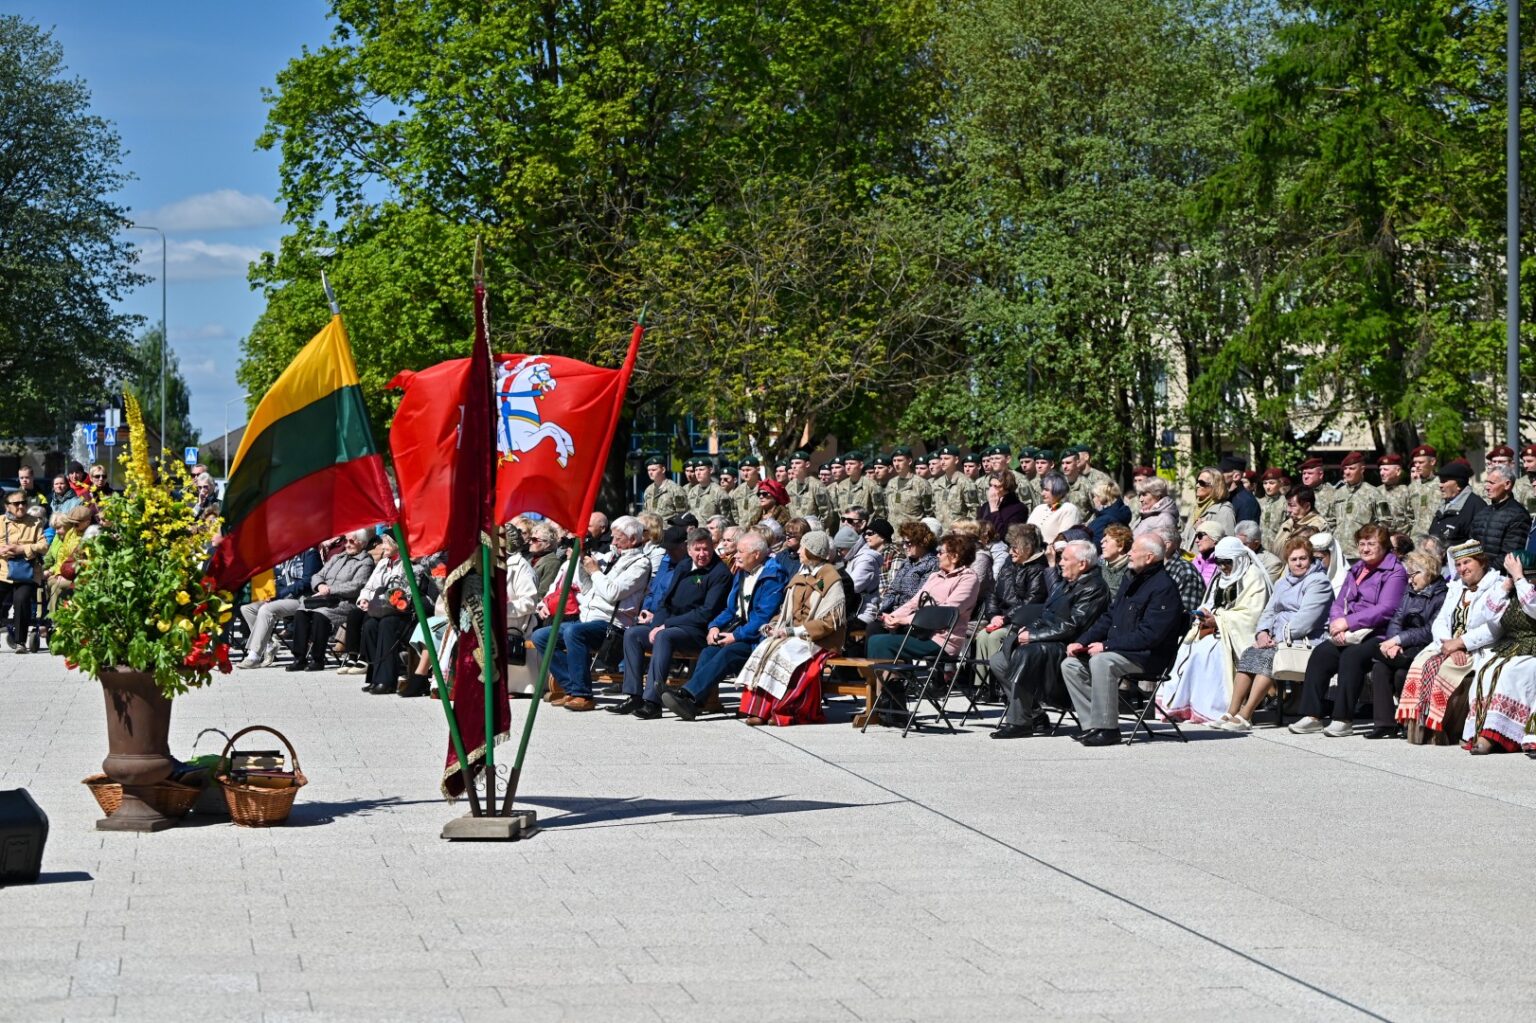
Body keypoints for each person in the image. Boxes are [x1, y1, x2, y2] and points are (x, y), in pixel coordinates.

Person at [1284, 525, 1409, 734]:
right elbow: (1339, 601)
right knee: (1321, 653)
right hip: (1350, 630)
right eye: (1362, 544)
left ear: (1384, 546)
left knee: (1352, 657)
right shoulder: (1357, 569)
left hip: (1380, 633)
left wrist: (1349, 622)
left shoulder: (1395, 571)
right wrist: (1336, 625)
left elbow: (1387, 609)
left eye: (1371, 544)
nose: (1365, 549)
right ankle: (1312, 715)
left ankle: (1343, 718)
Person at [1061, 535, 1185, 745]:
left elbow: (1150, 636)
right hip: (1123, 650)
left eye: (1134, 550)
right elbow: (1109, 617)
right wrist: (1083, 641)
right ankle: (1092, 724)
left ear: (1149, 557)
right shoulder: (1131, 578)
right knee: (1070, 664)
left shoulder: (1164, 588)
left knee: (1102, 661)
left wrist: (1107, 646)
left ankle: (1108, 729)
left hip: (1149, 656)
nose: (1129, 553)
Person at [659, 531, 789, 720]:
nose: (735, 555)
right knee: (709, 651)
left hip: (759, 637)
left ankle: (686, 694)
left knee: (730, 652)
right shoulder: (742, 572)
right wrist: (714, 626)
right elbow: (731, 609)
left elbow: (763, 618)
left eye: (740, 552)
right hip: (739, 629)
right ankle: (694, 704)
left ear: (756, 555)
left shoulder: (773, 576)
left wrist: (736, 636)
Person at [987, 539, 1108, 738]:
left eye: (1065, 559)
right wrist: (1029, 629)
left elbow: (1073, 626)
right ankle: (1034, 713)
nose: (1059, 562)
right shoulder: (1065, 583)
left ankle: (1019, 722)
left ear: (1082, 564)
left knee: (1024, 654)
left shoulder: (1094, 587)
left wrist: (1033, 636)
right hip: (1049, 639)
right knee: (999, 659)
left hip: (1070, 644)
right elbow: (1046, 614)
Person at [1211, 538, 1334, 731]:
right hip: (1277, 638)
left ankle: (1246, 714)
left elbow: (1306, 620)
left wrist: (1278, 639)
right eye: (1294, 559)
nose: (1299, 563)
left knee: (1269, 658)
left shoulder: (1319, 582)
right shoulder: (1283, 582)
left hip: (1305, 640)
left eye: (1303, 558)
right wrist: (1262, 633)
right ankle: (1232, 711)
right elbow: (1269, 611)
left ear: (1310, 559)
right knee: (1250, 653)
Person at [532, 516, 652, 712]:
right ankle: (571, 687)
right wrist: (580, 563)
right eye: (612, 537)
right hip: (588, 619)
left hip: (613, 625)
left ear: (632, 540)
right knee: (541, 636)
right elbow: (586, 589)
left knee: (574, 632)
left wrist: (595, 572)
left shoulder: (640, 563)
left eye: (618, 539)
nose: (613, 542)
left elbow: (613, 593)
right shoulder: (611, 557)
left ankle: (583, 694)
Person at [610, 527, 731, 719]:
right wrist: (656, 624)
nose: (702, 554)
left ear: (713, 547)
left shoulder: (719, 573)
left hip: (697, 631)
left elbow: (706, 613)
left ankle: (652, 702)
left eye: (706, 549)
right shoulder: (683, 566)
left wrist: (665, 626)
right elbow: (666, 602)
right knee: (633, 634)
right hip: (670, 625)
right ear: (689, 549)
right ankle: (634, 695)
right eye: (697, 549)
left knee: (665, 636)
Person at [1393, 539, 1506, 744]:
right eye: (1459, 564)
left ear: (1481, 562)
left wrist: (1461, 643)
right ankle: (1420, 731)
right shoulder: (1456, 587)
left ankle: (1442, 732)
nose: (1462, 569)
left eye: (1467, 563)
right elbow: (1441, 621)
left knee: (1448, 672)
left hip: (1477, 648)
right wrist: (1448, 644)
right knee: (1420, 666)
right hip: (1448, 646)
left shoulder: (1496, 587)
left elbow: (1494, 628)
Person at [731, 530, 846, 726]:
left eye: (803, 548)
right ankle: (759, 710)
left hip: (818, 639)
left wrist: (793, 632)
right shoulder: (801, 575)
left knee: (785, 653)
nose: (799, 551)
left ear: (813, 551)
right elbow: (786, 611)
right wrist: (774, 625)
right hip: (793, 633)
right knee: (764, 649)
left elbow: (830, 621)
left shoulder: (831, 579)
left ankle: (782, 710)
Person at [1155, 536, 1272, 724]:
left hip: (1232, 633)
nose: (1223, 567)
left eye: (1227, 562)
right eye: (1219, 562)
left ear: (1239, 559)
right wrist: (1203, 612)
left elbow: (1252, 614)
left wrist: (1218, 620)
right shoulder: (1219, 577)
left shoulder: (1253, 576)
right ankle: (1185, 706)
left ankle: (1213, 708)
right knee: (1185, 649)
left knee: (1205, 654)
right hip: (1213, 628)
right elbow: (1209, 602)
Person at [868, 532, 982, 720]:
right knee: (875, 632)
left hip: (942, 640)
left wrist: (905, 620)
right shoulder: (936, 576)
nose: (937, 555)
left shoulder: (968, 578)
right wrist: (893, 616)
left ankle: (893, 704)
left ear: (954, 556)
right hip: (920, 632)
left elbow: (947, 612)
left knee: (881, 643)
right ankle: (887, 700)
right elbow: (914, 602)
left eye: (941, 552)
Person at [1351, 551, 1449, 739]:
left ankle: (1407, 722)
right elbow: (1396, 619)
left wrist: (1398, 640)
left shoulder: (1442, 595)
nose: (1410, 580)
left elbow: (1429, 630)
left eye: (1414, 575)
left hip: (1425, 646)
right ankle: (1385, 724)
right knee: (1380, 667)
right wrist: (1393, 643)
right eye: (1409, 575)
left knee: (1401, 673)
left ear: (1428, 572)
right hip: (1403, 645)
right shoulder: (1409, 591)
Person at [1465, 551, 1536, 753]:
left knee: (1508, 673)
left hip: (1533, 648)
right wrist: (1506, 586)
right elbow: (1487, 615)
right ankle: (1478, 730)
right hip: (1512, 646)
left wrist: (1521, 580)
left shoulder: (1527, 590)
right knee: (1485, 671)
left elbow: (1533, 607)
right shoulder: (1512, 590)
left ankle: (1498, 735)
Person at [285, 530, 375, 672]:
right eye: (346, 540)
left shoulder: (365, 562)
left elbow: (357, 586)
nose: (348, 544)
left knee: (321, 615)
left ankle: (317, 659)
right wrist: (320, 585)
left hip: (344, 602)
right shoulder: (337, 558)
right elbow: (317, 575)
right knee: (301, 612)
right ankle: (299, 658)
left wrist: (331, 589)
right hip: (323, 598)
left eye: (352, 541)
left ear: (362, 543)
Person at [352, 534, 422, 694]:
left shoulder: (407, 563)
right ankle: (374, 677)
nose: (382, 547)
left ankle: (387, 680)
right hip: (382, 608)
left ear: (397, 544)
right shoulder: (383, 563)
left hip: (403, 614)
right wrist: (364, 599)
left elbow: (408, 594)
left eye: (386, 543)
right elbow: (369, 587)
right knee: (370, 625)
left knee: (386, 624)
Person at [238, 546, 322, 668]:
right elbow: (280, 579)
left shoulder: (310, 554)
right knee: (247, 609)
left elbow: (307, 581)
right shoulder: (286, 554)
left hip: (302, 599)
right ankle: (269, 645)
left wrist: (280, 594)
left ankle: (254, 655)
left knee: (266, 610)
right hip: (284, 597)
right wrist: (271, 595)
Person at [868, 521, 938, 635]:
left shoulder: (933, 564)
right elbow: (893, 590)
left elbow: (920, 596)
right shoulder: (907, 563)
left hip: (912, 617)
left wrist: (896, 616)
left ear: (922, 542)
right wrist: (882, 612)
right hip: (894, 612)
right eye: (903, 543)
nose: (904, 547)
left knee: (880, 632)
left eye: (908, 543)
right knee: (873, 626)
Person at [0, 491, 47, 653]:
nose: (21, 506)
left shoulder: (35, 522)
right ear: (7, 506)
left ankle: (20, 642)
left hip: (27, 573)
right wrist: (4, 550)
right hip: (3, 572)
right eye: (16, 503)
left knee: (21, 599)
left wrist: (21, 549)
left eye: (24, 503)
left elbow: (43, 546)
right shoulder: (0, 522)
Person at [1330, 452, 1387, 556]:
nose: (1347, 472)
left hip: (1362, 553)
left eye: (1351, 469)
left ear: (1362, 469)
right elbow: (1331, 521)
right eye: (1345, 468)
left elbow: (1386, 522)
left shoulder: (1374, 493)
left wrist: (1371, 543)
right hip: (1338, 553)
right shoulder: (1338, 493)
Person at [1470, 464, 1530, 559]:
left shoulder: (1518, 515)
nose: (1487, 487)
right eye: (1486, 482)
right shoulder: (1482, 513)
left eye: (1492, 483)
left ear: (1507, 484)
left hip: (1500, 572)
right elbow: (1471, 546)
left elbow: (1510, 554)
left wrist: (1488, 572)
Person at [1427, 461, 1484, 546]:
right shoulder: (1444, 504)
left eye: (1444, 481)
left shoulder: (1476, 506)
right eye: (1440, 481)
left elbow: (1476, 544)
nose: (1440, 485)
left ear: (1458, 485)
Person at [1181, 466, 1236, 550]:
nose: (1197, 486)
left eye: (1201, 483)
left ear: (1215, 486)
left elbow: (1227, 546)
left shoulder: (1224, 511)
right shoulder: (1194, 508)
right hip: (1189, 561)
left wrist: (1202, 530)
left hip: (1208, 562)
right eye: (1197, 482)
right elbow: (1185, 538)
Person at [1269, 487, 1328, 558]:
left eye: (1292, 506)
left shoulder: (1318, 526)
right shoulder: (1288, 522)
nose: (1288, 510)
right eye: (1288, 505)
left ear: (1307, 507)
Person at [883, 446, 934, 528]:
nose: (896, 464)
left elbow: (929, 513)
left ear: (909, 461)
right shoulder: (891, 483)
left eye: (900, 460)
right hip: (893, 535)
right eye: (894, 461)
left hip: (912, 535)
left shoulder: (921, 484)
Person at [1028, 472, 1082, 544]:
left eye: (1047, 490)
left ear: (1058, 491)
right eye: (1043, 489)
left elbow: (1063, 540)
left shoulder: (1068, 509)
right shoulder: (1039, 508)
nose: (1042, 493)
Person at [1131, 476, 1180, 554]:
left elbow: (1163, 552)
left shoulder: (1164, 519)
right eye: (1139, 495)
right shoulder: (1146, 514)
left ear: (1158, 495)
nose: (1141, 499)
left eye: (1144, 495)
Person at [979, 471, 1029, 538]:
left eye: (996, 486)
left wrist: (994, 510)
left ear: (1007, 488)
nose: (991, 489)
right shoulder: (986, 506)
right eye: (990, 485)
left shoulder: (1019, 509)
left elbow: (1005, 535)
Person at [641, 455, 689, 521]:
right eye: (648, 470)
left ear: (663, 470)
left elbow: (682, 514)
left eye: (654, 470)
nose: (650, 473)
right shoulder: (648, 490)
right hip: (651, 529)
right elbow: (645, 512)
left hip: (668, 529)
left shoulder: (675, 489)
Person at [1220, 456, 1261, 526]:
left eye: (1223, 472)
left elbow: (1245, 534)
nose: (1219, 475)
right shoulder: (1226, 497)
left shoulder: (1247, 502)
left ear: (1236, 476)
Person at [1098, 524, 1134, 593]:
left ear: (1120, 546)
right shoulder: (1101, 563)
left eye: (1106, 541)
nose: (1102, 545)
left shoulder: (1129, 571)